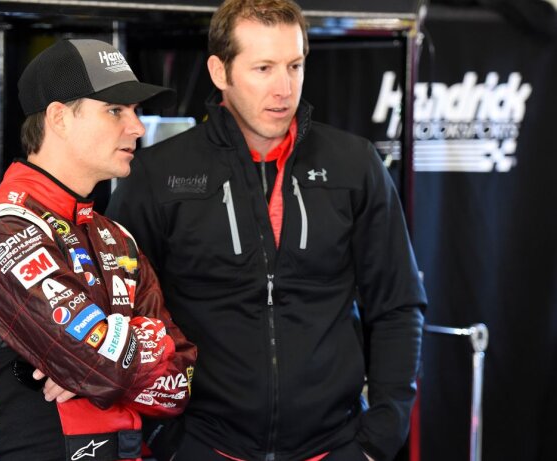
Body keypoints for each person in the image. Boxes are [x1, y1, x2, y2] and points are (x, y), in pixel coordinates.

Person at [106, 0, 427, 459]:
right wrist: (165, 439)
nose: (284, 88)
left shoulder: (354, 166)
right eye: (263, 68)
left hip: (334, 446)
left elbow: (397, 304)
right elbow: (121, 311)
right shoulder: (158, 174)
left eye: (294, 65)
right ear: (220, 72)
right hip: (205, 445)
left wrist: (380, 436)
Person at [0, 38, 197, 461]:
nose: (136, 126)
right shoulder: (5, 233)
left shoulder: (117, 237)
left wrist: (109, 358)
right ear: (59, 118)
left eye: (134, 111)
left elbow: (178, 388)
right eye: (115, 110)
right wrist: (130, 350)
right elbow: (100, 367)